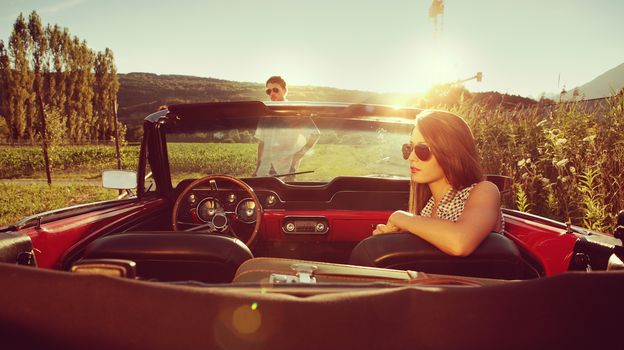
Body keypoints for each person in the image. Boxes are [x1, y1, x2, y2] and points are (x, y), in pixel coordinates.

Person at [373, 110, 503, 257]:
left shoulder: (484, 191)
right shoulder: (426, 209)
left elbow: (460, 242)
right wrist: (390, 238)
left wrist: (401, 217)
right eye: (409, 148)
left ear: (450, 152)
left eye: (422, 149)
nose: (411, 157)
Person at [253, 76, 320, 180]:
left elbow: (315, 134)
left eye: (275, 90)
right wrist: (257, 168)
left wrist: (298, 156)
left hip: (287, 169)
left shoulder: (296, 113)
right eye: (268, 91)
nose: (272, 93)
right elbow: (261, 143)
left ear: (284, 90)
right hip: (265, 170)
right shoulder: (265, 114)